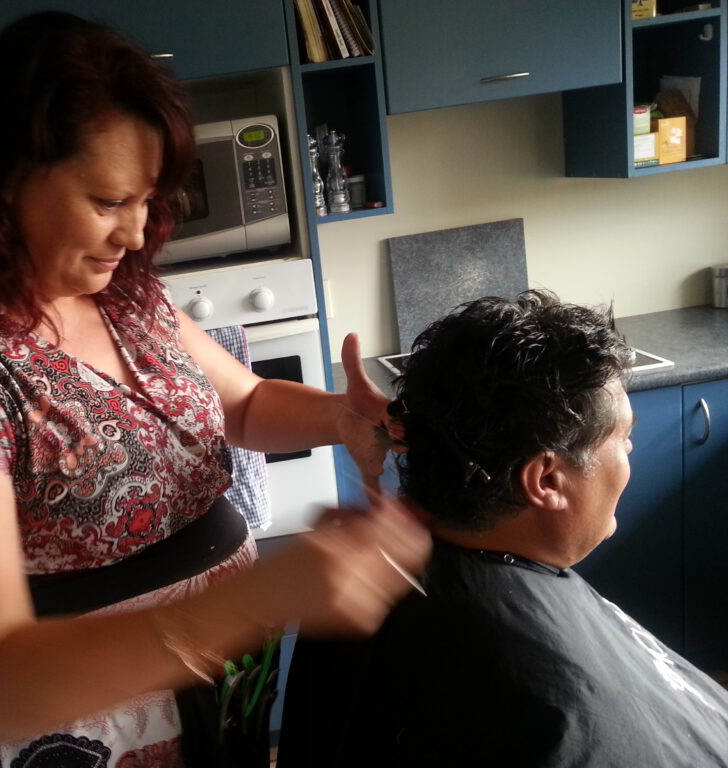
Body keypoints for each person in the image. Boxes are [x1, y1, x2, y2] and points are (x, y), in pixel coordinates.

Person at [0, 11, 430, 767]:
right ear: (0, 178)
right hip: (96, 736)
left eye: (148, 200)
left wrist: (339, 416)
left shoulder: (123, 297)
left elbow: (243, 405)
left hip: (221, 698)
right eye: (108, 201)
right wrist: (256, 601)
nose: (135, 231)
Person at [277, 290, 728, 767]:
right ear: (547, 479)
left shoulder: (354, 583)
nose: (631, 453)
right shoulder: (549, 710)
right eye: (624, 438)